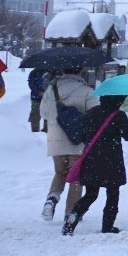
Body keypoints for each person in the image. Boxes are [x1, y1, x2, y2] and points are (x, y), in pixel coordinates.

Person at [62, 95, 128, 235]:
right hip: (111, 160)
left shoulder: (91, 113)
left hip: (91, 160)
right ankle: (107, 226)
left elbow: (82, 136)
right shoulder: (118, 115)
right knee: (112, 194)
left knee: (91, 194)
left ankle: (73, 217)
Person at [40, 67, 98, 222]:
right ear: (79, 73)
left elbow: (43, 113)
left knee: (60, 172)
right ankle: (71, 213)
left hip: (54, 139)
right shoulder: (87, 90)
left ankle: (52, 198)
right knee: (76, 177)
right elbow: (94, 113)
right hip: (77, 140)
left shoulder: (51, 90)